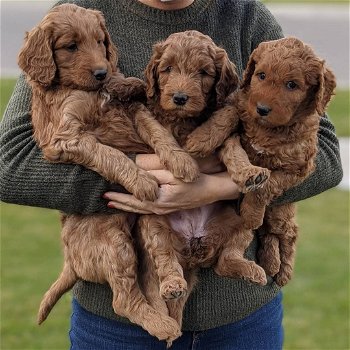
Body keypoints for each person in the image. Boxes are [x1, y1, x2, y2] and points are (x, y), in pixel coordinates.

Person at [0, 0, 343, 349]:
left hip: (241, 317)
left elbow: (328, 157)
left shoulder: (244, 15)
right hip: (118, 327)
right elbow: (9, 165)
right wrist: (135, 179)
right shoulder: (83, 12)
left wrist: (220, 187)